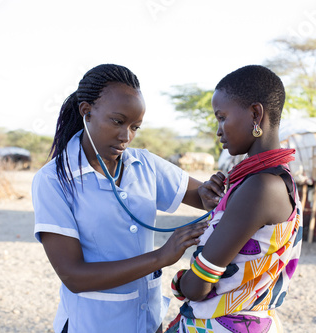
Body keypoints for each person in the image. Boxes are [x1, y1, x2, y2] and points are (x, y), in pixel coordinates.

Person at [32, 64, 224, 333]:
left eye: (135, 127)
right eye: (117, 121)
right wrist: (161, 257)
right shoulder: (54, 180)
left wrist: (211, 192)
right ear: (86, 112)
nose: (126, 137)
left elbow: (204, 198)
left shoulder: (145, 164)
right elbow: (73, 276)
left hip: (147, 321)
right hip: (93, 324)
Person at [166, 65, 303, 333]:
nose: (218, 130)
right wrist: (221, 205)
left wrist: (179, 281)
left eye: (221, 117)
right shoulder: (270, 180)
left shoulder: (261, 186)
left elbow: (197, 287)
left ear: (255, 113)